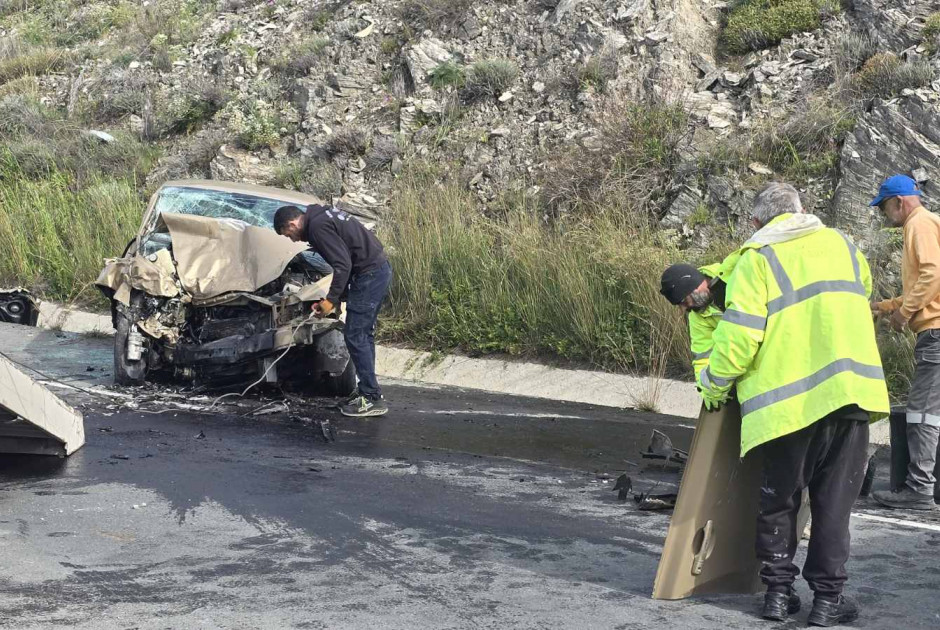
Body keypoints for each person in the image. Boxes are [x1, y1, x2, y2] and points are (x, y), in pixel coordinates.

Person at [698, 182, 889, 626]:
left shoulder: (757, 258)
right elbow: (859, 291)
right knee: (832, 507)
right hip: (848, 394)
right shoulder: (842, 243)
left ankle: (778, 596)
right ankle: (827, 601)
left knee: (780, 501)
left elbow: (741, 335)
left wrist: (714, 383)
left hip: (787, 407)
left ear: (756, 222)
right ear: (804, 210)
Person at [274, 204, 392, 418]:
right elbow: (347, 257)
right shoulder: (321, 216)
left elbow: (343, 265)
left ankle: (371, 397)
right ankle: (367, 391)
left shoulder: (318, 227)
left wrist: (330, 301)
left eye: (288, 234)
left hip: (370, 275)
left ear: (292, 224)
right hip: (374, 271)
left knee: (356, 336)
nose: (292, 240)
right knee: (362, 335)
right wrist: (337, 299)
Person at [869, 175, 940, 511]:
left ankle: (920, 490)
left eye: (885, 208)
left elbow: (932, 274)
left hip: (935, 333)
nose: (886, 216)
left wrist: (903, 314)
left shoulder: (919, 223)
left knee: (922, 413)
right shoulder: (929, 223)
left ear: (900, 202)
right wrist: (885, 306)